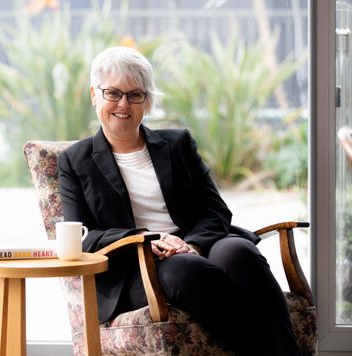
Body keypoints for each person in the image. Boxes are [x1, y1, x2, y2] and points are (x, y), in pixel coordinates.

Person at [58, 46, 301, 355]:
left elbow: (215, 209)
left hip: (197, 244)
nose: (123, 103)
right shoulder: (74, 161)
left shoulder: (177, 144)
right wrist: (144, 239)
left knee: (239, 252)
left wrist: (195, 245)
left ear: (147, 100)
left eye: (135, 94)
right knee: (186, 269)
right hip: (136, 268)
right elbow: (82, 237)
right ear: (95, 94)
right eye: (113, 93)